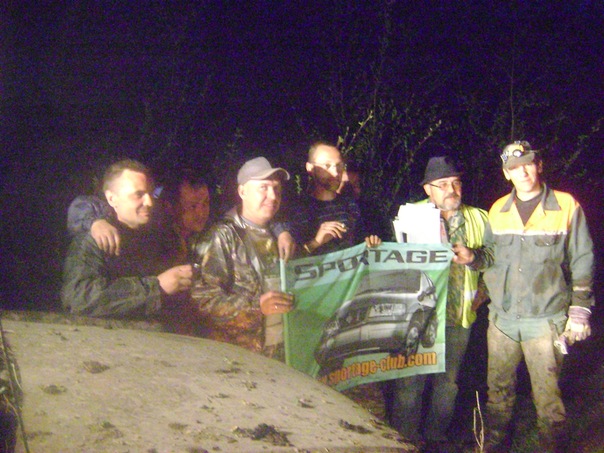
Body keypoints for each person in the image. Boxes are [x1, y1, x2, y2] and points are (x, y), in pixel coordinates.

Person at [454, 141, 595, 452]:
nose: (523, 172)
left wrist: (580, 310)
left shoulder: (566, 206)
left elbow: (583, 258)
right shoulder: (498, 210)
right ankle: (494, 442)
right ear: (507, 174)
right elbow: (491, 256)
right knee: (498, 390)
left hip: (545, 320)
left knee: (547, 397)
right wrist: (472, 257)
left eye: (528, 164)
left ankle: (551, 446)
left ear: (539, 165)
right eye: (514, 168)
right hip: (502, 320)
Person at [382, 156, 489, 452]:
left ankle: (435, 437)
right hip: (420, 315)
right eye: (442, 184)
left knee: (448, 383)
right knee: (410, 381)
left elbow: (496, 257)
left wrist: (485, 289)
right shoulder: (409, 215)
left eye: (456, 182)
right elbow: (390, 259)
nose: (451, 189)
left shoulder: (479, 217)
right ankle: (403, 439)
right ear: (428, 189)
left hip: (458, 315)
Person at [189, 157, 294, 360]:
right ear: (242, 192)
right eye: (263, 188)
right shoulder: (222, 236)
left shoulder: (280, 235)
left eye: (277, 189)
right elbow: (203, 302)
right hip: (240, 358)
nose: (273, 196)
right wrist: (256, 307)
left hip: (282, 354)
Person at [61, 159, 193, 318]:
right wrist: (156, 287)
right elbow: (79, 298)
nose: (149, 202)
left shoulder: (161, 237)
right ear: (112, 199)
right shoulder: (95, 239)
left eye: (150, 193)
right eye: (138, 195)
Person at [67, 166, 212, 262]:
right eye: (192, 206)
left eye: (205, 203)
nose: (201, 213)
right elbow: (83, 206)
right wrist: (94, 222)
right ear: (170, 205)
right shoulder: (151, 224)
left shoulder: (210, 232)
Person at [289, 141, 381, 256]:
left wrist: (371, 243)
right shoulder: (299, 209)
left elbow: (361, 242)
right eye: (327, 166)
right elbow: (289, 260)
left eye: (339, 166)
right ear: (310, 168)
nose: (336, 172)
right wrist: (316, 242)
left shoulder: (349, 204)